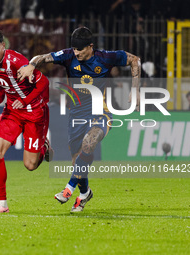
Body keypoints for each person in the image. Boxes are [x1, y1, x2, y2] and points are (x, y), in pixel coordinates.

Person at [18, 26, 141, 212]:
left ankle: (69, 188)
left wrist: (135, 90)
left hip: (101, 112)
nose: (76, 53)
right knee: (77, 162)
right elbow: (42, 57)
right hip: (76, 115)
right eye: (74, 49)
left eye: (80, 50)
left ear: (90, 46)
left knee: (89, 143)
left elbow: (135, 60)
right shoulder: (68, 56)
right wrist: (31, 65)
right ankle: (84, 194)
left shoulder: (106, 58)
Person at [0, 28, 53, 213]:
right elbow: (0, 92)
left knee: (30, 165)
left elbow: (44, 82)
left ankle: (43, 147)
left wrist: (25, 100)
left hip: (35, 112)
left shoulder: (18, 61)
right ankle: (1, 204)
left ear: (3, 45)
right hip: (12, 111)